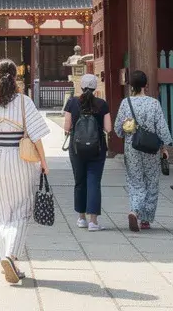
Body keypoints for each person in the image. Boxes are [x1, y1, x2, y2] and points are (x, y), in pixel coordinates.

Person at [0, 59, 51, 285]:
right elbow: (36, 136)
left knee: (1, 211)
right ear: (16, 77)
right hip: (20, 159)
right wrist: (44, 162)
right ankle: (11, 256)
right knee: (22, 209)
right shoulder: (24, 102)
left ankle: (8, 260)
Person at [113, 69, 173, 232]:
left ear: (131, 85)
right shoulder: (153, 103)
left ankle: (134, 210)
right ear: (146, 85)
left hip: (132, 146)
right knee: (151, 181)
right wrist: (164, 146)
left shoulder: (126, 103)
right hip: (150, 147)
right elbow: (161, 127)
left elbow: (118, 129)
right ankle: (145, 219)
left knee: (135, 181)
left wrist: (126, 128)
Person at [62, 73, 112, 231]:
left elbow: (66, 127)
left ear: (81, 87)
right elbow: (108, 129)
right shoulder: (102, 104)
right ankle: (93, 222)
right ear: (95, 87)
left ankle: (81, 218)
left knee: (79, 182)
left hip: (77, 149)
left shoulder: (72, 102)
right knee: (94, 182)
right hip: (97, 149)